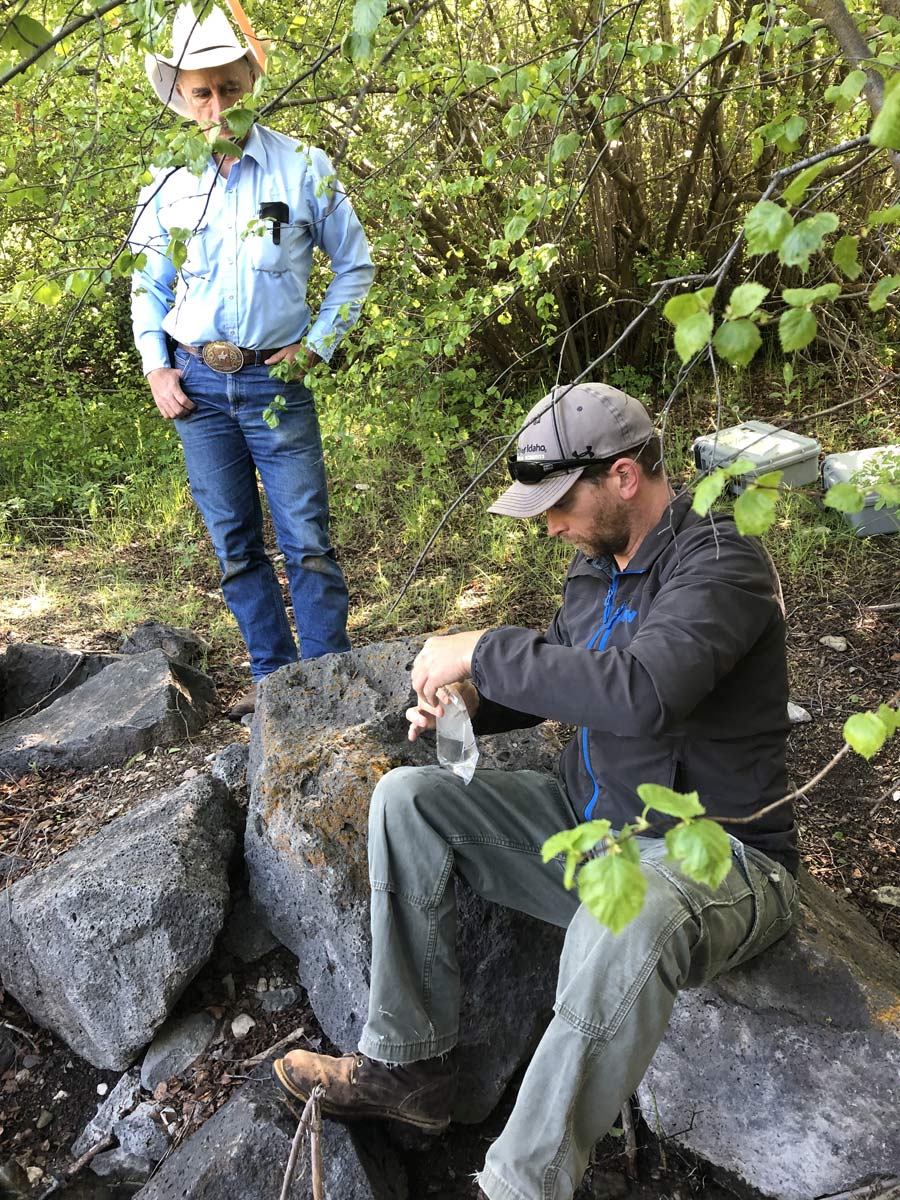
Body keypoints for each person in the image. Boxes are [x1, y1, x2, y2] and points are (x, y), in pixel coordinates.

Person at [272, 383, 799, 1200]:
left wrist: (483, 647)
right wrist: (471, 703)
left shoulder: (723, 562)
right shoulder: (596, 570)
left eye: (559, 504)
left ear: (623, 476)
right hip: (587, 826)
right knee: (410, 802)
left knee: (633, 914)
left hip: (717, 855)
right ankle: (406, 1072)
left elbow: (643, 691)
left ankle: (518, 1185)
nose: (550, 525)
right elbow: (566, 674)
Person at [129, 4, 374, 718]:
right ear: (181, 97)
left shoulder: (303, 169)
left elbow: (355, 267)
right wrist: (156, 366)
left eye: (229, 87)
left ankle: (327, 683)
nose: (217, 105)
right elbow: (148, 284)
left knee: (309, 541)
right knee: (236, 545)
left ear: (250, 82)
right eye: (201, 92)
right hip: (198, 389)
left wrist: (317, 344)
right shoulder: (165, 182)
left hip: (277, 381)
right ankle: (274, 683)